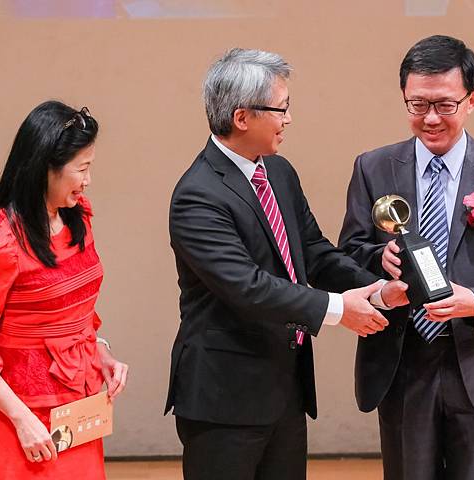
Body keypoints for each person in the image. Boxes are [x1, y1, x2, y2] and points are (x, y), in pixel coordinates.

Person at [165, 48, 409, 480]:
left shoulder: (278, 172)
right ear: (242, 117)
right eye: (281, 108)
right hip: (225, 395)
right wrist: (337, 309)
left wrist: (375, 288)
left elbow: (314, 251)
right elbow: (247, 286)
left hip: (285, 386)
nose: (288, 119)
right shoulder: (198, 194)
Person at [338, 35, 474, 480]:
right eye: (418, 105)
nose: (430, 118)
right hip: (403, 362)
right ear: (403, 97)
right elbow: (350, 253)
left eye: (445, 105)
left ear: (472, 100)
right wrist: (382, 264)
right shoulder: (373, 167)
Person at [0, 101, 128, 479]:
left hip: (77, 407)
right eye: (82, 169)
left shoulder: (77, 218)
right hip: (24, 419)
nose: (87, 181)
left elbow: (74, 311)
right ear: (45, 168)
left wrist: (101, 351)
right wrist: (21, 419)